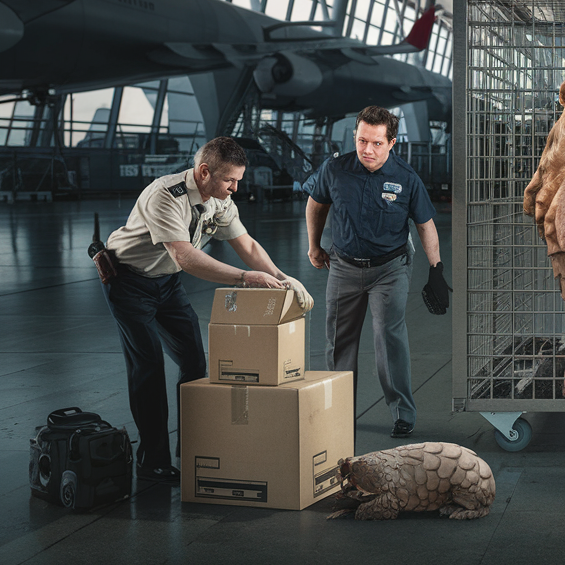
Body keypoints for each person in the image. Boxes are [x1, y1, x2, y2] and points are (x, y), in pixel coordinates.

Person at [101, 137, 310, 483]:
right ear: (204, 172)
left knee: (195, 362)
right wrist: (245, 278)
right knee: (148, 366)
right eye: (230, 180)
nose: (236, 188)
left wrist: (282, 276)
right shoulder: (165, 196)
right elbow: (185, 256)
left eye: (238, 180)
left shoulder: (218, 199)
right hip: (129, 284)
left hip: (166, 284)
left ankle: (195, 446)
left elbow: (248, 244)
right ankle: (152, 461)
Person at [305, 106, 450, 439]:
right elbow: (316, 202)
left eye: (376, 143)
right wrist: (315, 246)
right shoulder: (335, 170)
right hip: (342, 267)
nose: (367, 150)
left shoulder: (406, 178)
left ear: (392, 142)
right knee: (339, 342)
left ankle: (402, 413)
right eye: (361, 140)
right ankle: (340, 411)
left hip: (390, 269)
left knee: (389, 338)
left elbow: (425, 225)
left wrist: (436, 268)